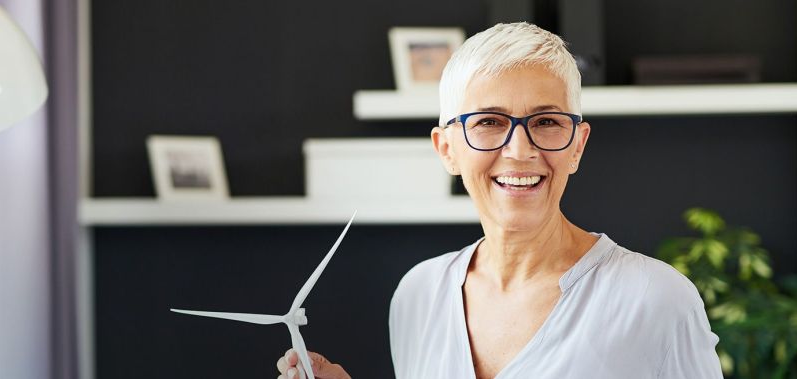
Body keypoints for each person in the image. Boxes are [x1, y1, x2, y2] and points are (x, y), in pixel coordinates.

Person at [276, 22, 722, 379]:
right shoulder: (419, 293)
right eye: (489, 121)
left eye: (546, 121)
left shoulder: (656, 299)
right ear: (446, 148)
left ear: (577, 145)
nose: (520, 150)